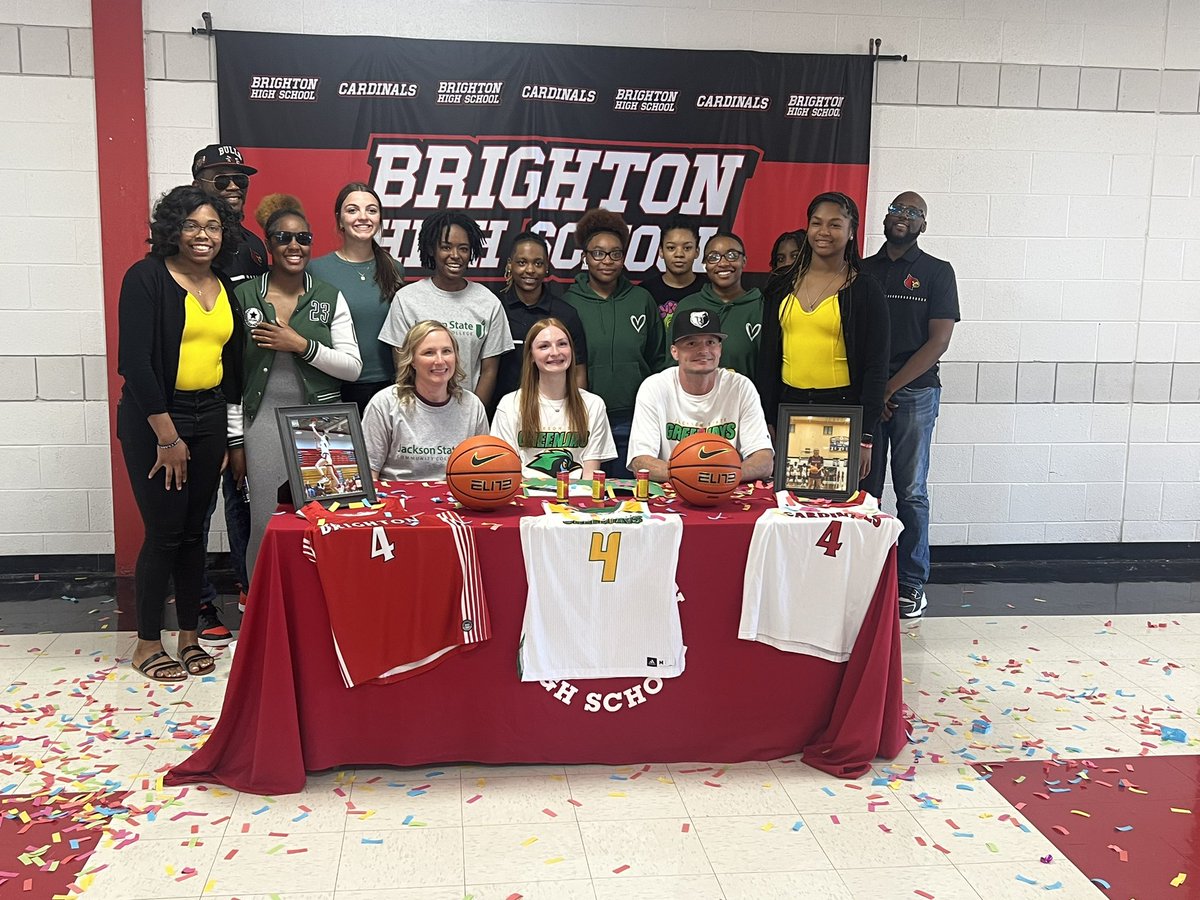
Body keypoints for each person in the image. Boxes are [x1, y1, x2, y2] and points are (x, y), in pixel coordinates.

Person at [116, 185, 243, 682]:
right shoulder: (145, 278)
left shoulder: (224, 284)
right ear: (173, 228)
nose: (203, 235)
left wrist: (227, 437)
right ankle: (148, 643)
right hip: (156, 420)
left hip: (208, 414)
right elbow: (136, 365)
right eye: (192, 225)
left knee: (195, 532)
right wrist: (168, 438)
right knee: (165, 532)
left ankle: (188, 636)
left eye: (212, 226)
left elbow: (228, 365)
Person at [229, 195, 362, 580]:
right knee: (265, 522)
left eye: (302, 238)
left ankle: (327, 608)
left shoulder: (328, 296)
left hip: (325, 421)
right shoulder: (244, 296)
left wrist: (301, 345)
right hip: (263, 423)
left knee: (327, 521)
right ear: (268, 244)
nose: (293, 246)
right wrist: (235, 440)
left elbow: (352, 368)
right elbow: (232, 379)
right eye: (283, 237)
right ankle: (259, 609)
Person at [861, 192, 959, 623]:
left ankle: (910, 584)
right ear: (886, 217)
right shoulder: (863, 269)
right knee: (865, 491)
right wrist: (873, 392)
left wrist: (888, 389)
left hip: (915, 393)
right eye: (896, 209)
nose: (903, 217)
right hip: (871, 395)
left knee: (911, 492)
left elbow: (937, 342)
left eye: (913, 213)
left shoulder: (937, 272)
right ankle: (866, 576)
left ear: (924, 225)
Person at [757, 192, 889, 484]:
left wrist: (866, 437)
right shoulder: (780, 285)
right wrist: (768, 418)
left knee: (841, 506)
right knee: (791, 506)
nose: (824, 232)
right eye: (816, 223)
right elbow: (767, 358)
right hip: (789, 409)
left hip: (844, 411)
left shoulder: (866, 289)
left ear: (852, 231)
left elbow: (876, 368)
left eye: (835, 224)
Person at [191, 144, 266, 632]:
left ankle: (248, 590)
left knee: (243, 495)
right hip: (197, 397)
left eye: (240, 179)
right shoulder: (183, 246)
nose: (234, 187)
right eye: (222, 179)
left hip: (245, 392)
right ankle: (196, 600)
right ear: (198, 181)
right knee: (196, 506)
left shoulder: (256, 245)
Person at [564, 208, 665, 478]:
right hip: (583, 419)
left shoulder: (641, 299)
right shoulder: (567, 303)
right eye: (598, 253)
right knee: (584, 498)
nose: (606, 261)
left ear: (623, 257)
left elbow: (658, 359)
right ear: (585, 257)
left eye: (615, 253)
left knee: (628, 501)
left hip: (634, 420)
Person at [377, 212, 512, 407]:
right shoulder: (407, 299)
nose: (455, 255)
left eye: (463, 248)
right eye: (446, 247)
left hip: (466, 413)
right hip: (417, 411)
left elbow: (489, 371)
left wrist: (473, 414)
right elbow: (402, 368)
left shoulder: (489, 303)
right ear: (432, 249)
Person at [628, 308, 773, 483]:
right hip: (671, 492)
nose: (703, 350)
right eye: (691, 344)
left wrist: (718, 479)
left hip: (727, 491)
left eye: (711, 342)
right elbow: (640, 462)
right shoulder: (654, 387)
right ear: (674, 352)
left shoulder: (741, 387)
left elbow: (764, 461)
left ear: (720, 349)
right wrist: (697, 477)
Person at [308, 182, 405, 413]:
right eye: (352, 210)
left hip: (387, 388)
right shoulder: (315, 270)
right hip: (334, 388)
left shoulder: (395, 269)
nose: (363, 217)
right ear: (339, 219)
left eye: (371, 210)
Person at [362, 320, 488, 481]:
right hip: (397, 501)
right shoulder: (384, 403)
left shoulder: (472, 405)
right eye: (429, 352)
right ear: (412, 360)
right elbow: (368, 474)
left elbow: (482, 472)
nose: (440, 361)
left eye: (447, 351)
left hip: (456, 500)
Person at [491, 318, 616, 480]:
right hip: (526, 498)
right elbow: (508, 472)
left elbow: (590, 477)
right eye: (544, 346)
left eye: (562, 344)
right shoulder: (509, 405)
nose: (555, 352)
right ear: (531, 356)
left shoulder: (593, 405)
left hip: (576, 498)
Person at [493, 231, 589, 406]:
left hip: (554, 413)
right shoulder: (495, 309)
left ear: (547, 268)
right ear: (510, 265)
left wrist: (575, 413)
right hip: (502, 413)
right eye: (522, 263)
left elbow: (578, 371)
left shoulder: (566, 314)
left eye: (538, 263)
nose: (530, 270)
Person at [671, 231, 763, 379]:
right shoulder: (687, 306)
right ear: (705, 265)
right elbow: (672, 364)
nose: (723, 263)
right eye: (713, 257)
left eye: (732, 255)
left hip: (745, 399)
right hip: (695, 399)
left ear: (744, 261)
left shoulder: (762, 307)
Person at [639, 219, 708, 327]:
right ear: (661, 251)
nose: (679, 254)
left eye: (687, 248)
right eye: (671, 248)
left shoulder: (709, 289)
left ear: (697, 252)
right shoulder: (645, 292)